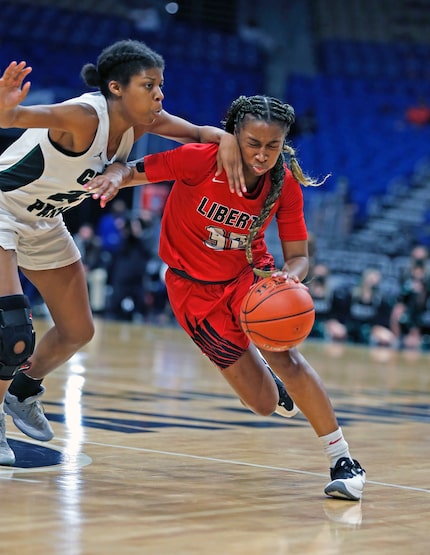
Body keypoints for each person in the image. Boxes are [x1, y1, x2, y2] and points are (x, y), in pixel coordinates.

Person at [86, 95, 366, 501]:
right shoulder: (200, 159)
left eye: (272, 146)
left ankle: (343, 460)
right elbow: (134, 171)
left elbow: (300, 256)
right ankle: (271, 384)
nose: (262, 155)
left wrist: (289, 280)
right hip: (191, 291)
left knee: (287, 356)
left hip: (250, 277)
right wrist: (114, 176)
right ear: (235, 135)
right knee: (264, 404)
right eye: (253, 143)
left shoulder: (284, 183)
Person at [0, 39, 245, 465]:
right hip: (3, 208)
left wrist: (224, 140)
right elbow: (11, 117)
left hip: (45, 220)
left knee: (78, 330)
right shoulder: (82, 115)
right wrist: (7, 104)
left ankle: (20, 392)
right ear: (116, 88)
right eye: (149, 85)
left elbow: (203, 134)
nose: (159, 95)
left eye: (161, 86)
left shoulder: (143, 122)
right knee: (13, 332)